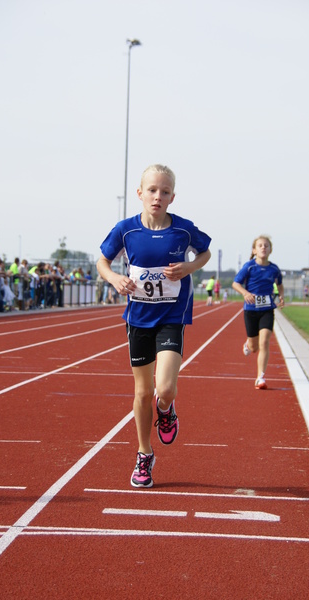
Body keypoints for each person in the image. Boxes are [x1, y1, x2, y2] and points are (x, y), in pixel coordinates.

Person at [96, 164, 211, 488]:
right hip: (138, 319)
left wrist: (188, 266)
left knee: (165, 388)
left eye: (164, 191)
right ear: (140, 193)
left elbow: (204, 252)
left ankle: (167, 408)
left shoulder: (183, 230)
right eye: (152, 190)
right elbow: (102, 261)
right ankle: (144, 454)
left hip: (172, 317)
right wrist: (115, 277)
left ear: (172, 197)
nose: (157, 196)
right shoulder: (127, 229)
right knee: (143, 391)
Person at [232, 235, 284, 390]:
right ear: (254, 250)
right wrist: (245, 293)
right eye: (260, 245)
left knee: (264, 342)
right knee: (254, 347)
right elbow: (236, 283)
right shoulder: (249, 267)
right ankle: (248, 343)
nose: (263, 248)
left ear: (270, 250)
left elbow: (279, 284)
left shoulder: (274, 269)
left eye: (266, 245)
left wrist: (281, 296)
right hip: (251, 310)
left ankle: (260, 377)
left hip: (267, 309)